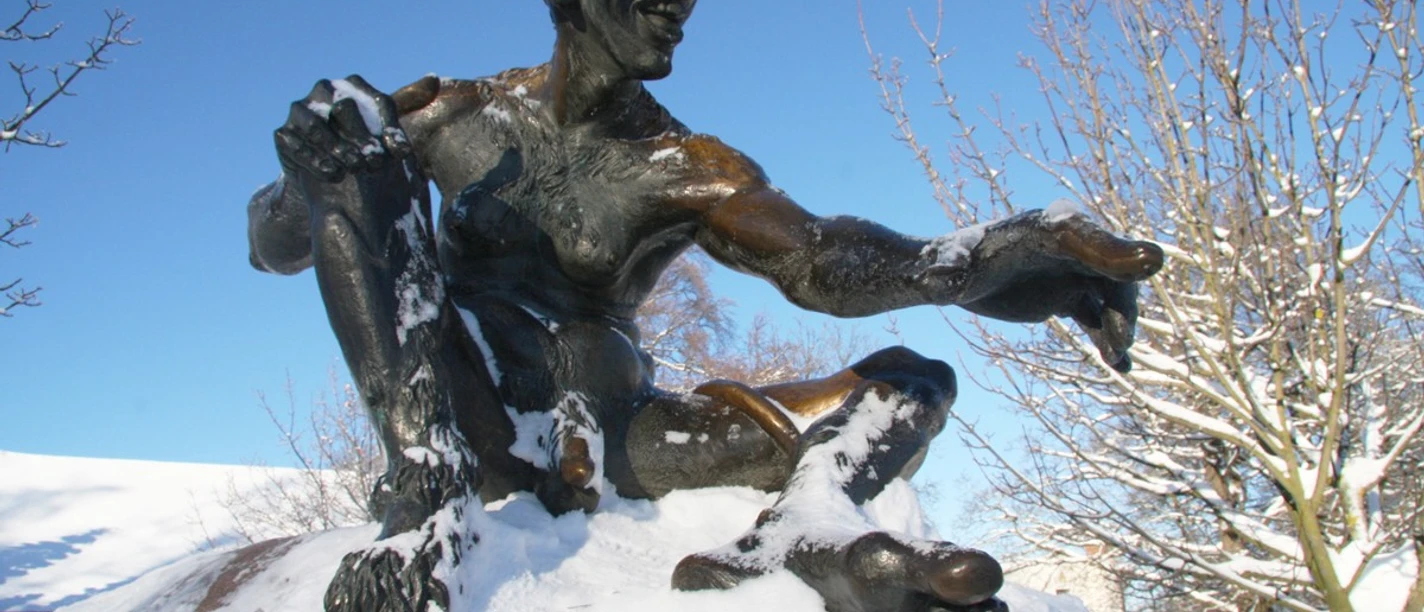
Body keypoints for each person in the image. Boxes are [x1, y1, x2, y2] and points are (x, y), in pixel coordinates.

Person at [247, 1, 1162, 610]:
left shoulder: (687, 167)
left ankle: (805, 529)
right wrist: (315, 172)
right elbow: (274, 244)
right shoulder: (447, 113)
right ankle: (427, 495)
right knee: (363, 152)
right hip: (465, 404)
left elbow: (820, 260)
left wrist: (984, 258)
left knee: (910, 382)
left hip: (619, 438)